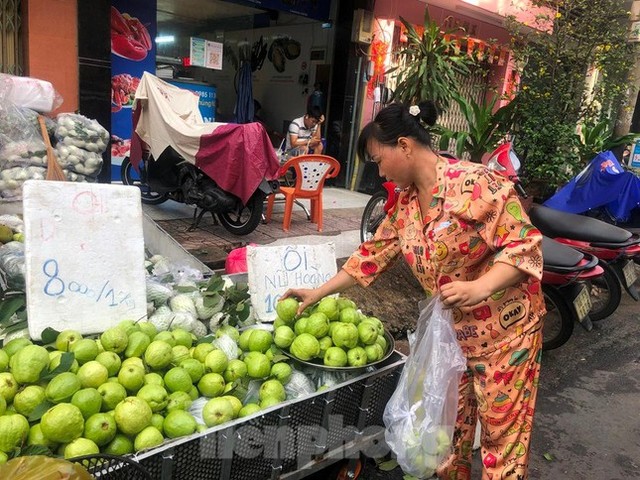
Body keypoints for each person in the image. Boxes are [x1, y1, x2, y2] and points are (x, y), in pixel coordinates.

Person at [283, 101, 545, 479]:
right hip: (453, 338)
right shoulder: (405, 205)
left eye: (378, 159)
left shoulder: (477, 185)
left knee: (501, 440)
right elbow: (370, 256)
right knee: (448, 431)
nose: (379, 170)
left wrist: (480, 287)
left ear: (403, 146)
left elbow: (525, 246)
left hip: (506, 334)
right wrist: (317, 293)